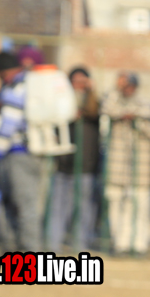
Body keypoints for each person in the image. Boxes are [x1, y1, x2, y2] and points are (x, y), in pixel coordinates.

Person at [0, 51, 43, 252]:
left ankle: (27, 251)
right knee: (22, 203)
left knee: (21, 203)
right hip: (33, 152)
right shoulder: (30, 84)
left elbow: (7, 128)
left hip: (19, 153)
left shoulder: (16, 88)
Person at [103, 73, 150, 254]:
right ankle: (120, 243)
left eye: (129, 86)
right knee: (116, 204)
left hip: (141, 166)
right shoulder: (113, 100)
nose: (126, 89)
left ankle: (140, 244)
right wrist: (123, 113)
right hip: (117, 165)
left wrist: (136, 119)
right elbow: (107, 108)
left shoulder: (145, 104)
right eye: (123, 86)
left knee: (141, 205)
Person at [47, 67, 101, 251]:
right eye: (75, 82)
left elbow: (96, 111)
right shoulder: (60, 104)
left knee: (84, 209)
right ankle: (53, 246)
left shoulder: (94, 105)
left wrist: (91, 92)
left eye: (83, 82)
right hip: (63, 165)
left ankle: (80, 246)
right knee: (58, 207)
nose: (79, 86)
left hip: (86, 166)